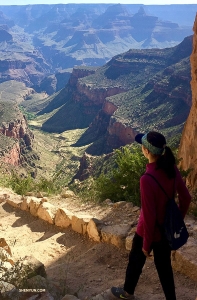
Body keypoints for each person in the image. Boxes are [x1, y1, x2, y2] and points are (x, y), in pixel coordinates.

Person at [111, 131, 191, 300]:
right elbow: (186, 198)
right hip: (166, 232)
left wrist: (146, 244)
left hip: (147, 233)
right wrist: (177, 220)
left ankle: (127, 293)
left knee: (135, 261)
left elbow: (149, 215)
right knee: (165, 269)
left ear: (146, 151)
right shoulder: (172, 169)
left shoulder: (147, 179)